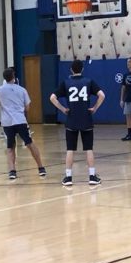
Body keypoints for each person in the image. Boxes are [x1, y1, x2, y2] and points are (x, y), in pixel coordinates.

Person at [50, 59, 106, 187]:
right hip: (86, 118)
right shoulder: (88, 82)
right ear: (82, 69)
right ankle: (92, 176)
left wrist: (63, 109)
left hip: (72, 119)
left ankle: (68, 177)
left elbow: (52, 98)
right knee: (88, 149)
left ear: (71, 70)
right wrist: (94, 108)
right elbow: (102, 95)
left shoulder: (66, 83)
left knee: (70, 149)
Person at [0, 67, 45, 181]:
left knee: (10, 147)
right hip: (20, 120)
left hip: (7, 123)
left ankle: (12, 171)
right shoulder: (22, 90)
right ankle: (41, 168)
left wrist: (5, 104)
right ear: (14, 77)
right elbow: (27, 107)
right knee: (30, 143)